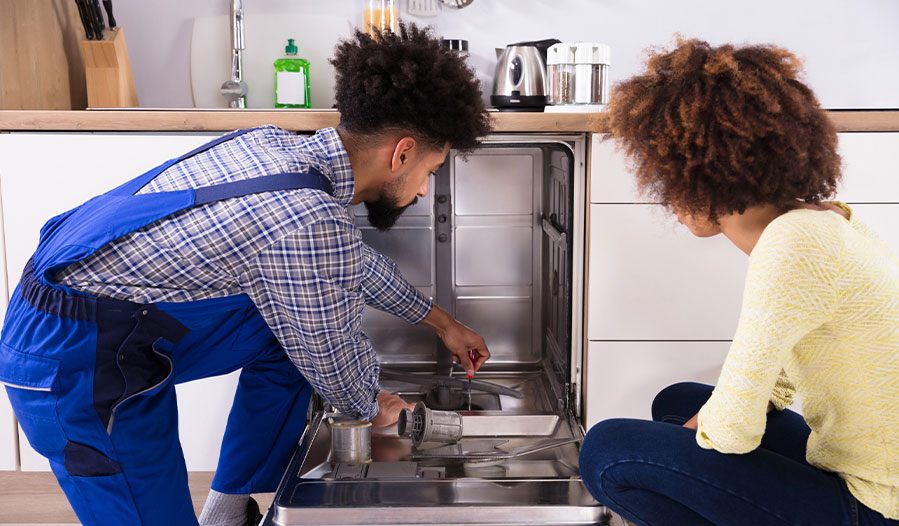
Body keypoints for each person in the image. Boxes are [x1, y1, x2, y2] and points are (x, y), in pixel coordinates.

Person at [0, 23, 492, 526]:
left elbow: (347, 264)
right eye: (430, 171)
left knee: (286, 335)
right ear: (402, 153)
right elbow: (338, 370)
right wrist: (375, 405)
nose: (426, 191)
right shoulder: (307, 215)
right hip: (74, 367)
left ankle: (228, 514)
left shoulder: (275, 148)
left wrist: (442, 323)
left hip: (94, 328)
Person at [578, 38, 899, 525]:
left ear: (699, 176)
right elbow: (785, 375)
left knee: (608, 450)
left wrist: (706, 433)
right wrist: (702, 428)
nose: (665, 195)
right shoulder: (822, 220)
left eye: (668, 176)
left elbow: (733, 433)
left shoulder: (790, 245)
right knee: (679, 401)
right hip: (870, 472)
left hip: (874, 507)